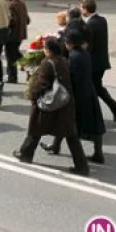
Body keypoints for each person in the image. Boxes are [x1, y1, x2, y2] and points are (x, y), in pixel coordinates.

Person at [13, 37, 90, 175]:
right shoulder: (64, 61)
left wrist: (33, 96)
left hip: (50, 103)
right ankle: (81, 166)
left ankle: (25, 153)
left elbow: (41, 83)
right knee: (71, 135)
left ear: (48, 50)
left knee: (36, 128)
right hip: (65, 102)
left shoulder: (47, 63)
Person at [42, 30, 107, 164]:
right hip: (89, 92)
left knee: (67, 121)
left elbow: (71, 77)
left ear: (70, 44)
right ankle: (97, 152)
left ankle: (59, 147)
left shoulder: (74, 57)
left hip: (79, 95)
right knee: (93, 124)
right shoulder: (84, 54)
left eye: (66, 42)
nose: (65, 44)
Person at [81, 0, 116, 122]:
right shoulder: (102, 20)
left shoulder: (90, 24)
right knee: (97, 87)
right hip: (101, 61)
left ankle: (109, 109)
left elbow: (89, 46)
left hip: (94, 63)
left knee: (92, 89)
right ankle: (114, 108)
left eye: (81, 7)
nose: (80, 9)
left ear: (85, 9)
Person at [4, 0, 31, 84]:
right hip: (20, 34)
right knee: (15, 53)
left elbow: (11, 20)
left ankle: (12, 77)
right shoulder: (22, 4)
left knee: (10, 56)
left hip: (12, 35)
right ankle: (28, 66)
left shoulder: (10, 5)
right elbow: (27, 20)